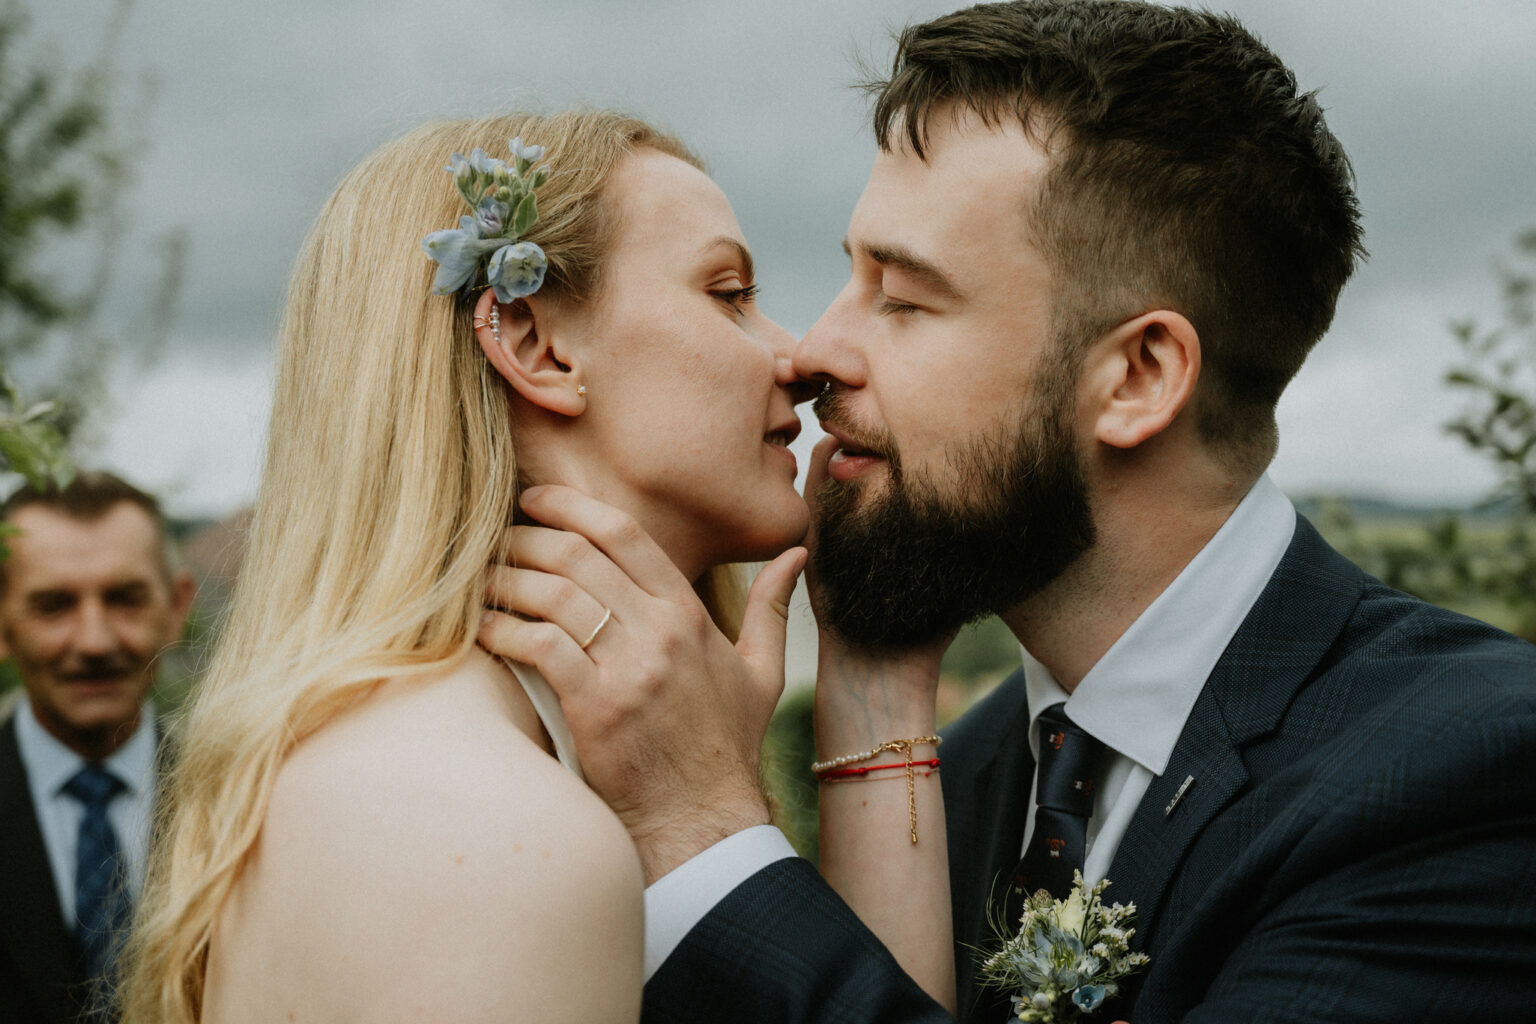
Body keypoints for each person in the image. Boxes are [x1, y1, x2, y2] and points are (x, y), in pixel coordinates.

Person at [478, 3, 1536, 1022]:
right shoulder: (966, 772)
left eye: (903, 298)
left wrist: (700, 828)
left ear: (1138, 377)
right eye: (850, 277)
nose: (814, 351)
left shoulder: (1466, 776)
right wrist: (871, 683)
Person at [116, 110, 813, 1024]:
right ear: (533, 343)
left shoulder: (396, 770)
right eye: (728, 294)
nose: (797, 356)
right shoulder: (497, 832)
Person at [0, 471, 194, 1024]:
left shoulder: (245, 808)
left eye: (125, 599)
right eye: (54, 605)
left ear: (177, 606)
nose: (95, 641)